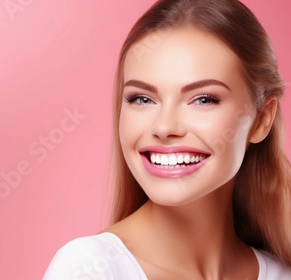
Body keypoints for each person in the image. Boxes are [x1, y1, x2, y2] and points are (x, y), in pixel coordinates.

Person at [43, 0, 291, 279]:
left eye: (203, 99)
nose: (163, 126)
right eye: (143, 98)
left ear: (261, 120)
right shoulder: (90, 269)